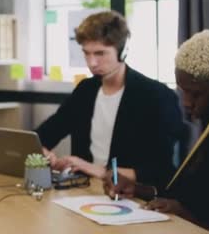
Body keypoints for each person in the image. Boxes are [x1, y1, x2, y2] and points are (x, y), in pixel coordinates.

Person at [104, 29, 209, 234]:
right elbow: (189, 194)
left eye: (195, 94)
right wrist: (139, 189)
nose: (185, 103)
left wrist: (187, 215)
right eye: (183, 91)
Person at [34, 10, 185, 189]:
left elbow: (161, 171)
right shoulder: (85, 90)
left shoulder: (156, 96)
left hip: (128, 195)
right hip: (85, 190)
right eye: (86, 53)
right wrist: (42, 153)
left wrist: (98, 170)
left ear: (123, 51)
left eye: (100, 53)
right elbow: (43, 135)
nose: (92, 63)